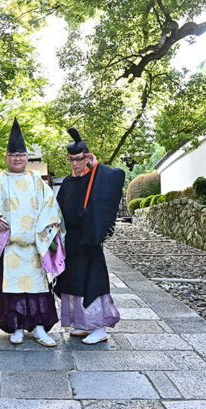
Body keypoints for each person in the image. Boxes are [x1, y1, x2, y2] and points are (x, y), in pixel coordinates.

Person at [0, 117, 65, 346]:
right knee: (12, 291)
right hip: (10, 248)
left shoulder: (37, 181)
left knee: (39, 290)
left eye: (21, 155)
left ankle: (40, 328)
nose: (17, 158)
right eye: (13, 155)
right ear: (6, 158)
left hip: (34, 247)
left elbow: (51, 207)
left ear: (27, 157)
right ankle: (17, 328)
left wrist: (42, 232)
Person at [54, 127, 125, 344]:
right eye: (71, 159)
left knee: (92, 281)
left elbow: (116, 177)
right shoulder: (66, 182)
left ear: (86, 158)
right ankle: (83, 325)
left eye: (79, 159)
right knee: (73, 281)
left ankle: (99, 328)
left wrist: (96, 167)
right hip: (71, 240)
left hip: (90, 238)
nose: (75, 163)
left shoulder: (96, 177)